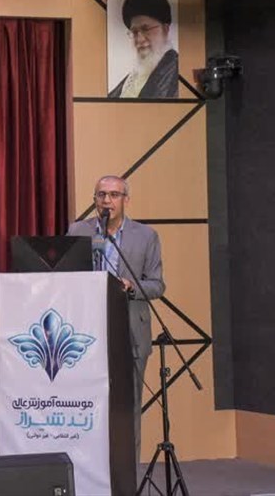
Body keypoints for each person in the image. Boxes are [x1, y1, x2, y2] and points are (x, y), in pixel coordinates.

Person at [67, 175, 165, 461]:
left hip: (130, 331)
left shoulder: (145, 236)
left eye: (113, 195)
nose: (107, 201)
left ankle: (127, 473)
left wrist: (131, 286)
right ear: (95, 199)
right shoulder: (78, 231)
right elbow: (66, 276)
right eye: (101, 195)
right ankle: (89, 469)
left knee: (127, 406)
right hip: (87, 331)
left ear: (125, 200)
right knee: (88, 404)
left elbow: (157, 285)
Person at [108, 0, 179, 99]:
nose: (139, 39)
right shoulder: (132, 79)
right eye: (134, 32)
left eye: (146, 29)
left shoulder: (178, 73)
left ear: (165, 30)